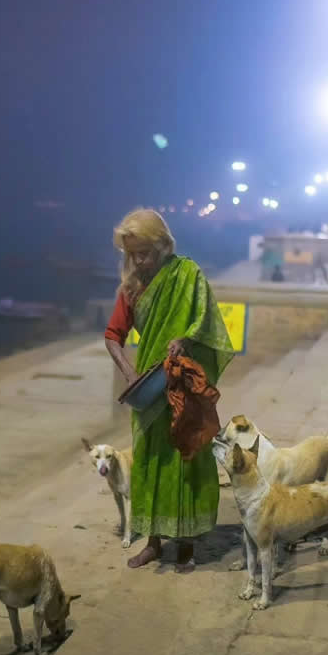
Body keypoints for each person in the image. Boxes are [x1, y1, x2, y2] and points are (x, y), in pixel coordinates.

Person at [104, 208, 234, 571]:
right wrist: (131, 374)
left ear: (163, 245)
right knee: (150, 460)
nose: (139, 261)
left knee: (186, 457)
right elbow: (113, 336)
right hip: (150, 389)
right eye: (132, 255)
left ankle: (187, 543)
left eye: (144, 252)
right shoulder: (131, 288)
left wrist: (186, 339)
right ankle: (154, 541)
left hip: (183, 385)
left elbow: (208, 324)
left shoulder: (187, 275)